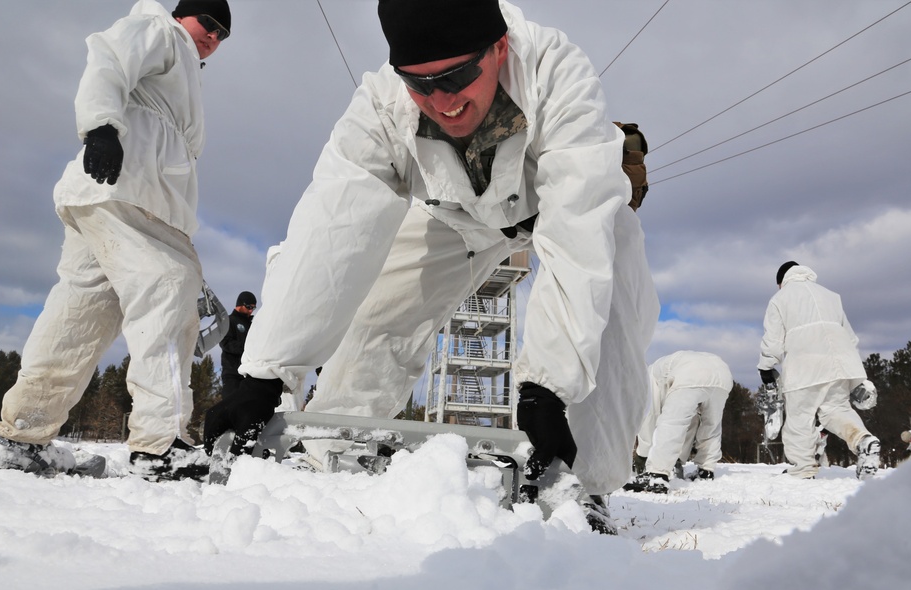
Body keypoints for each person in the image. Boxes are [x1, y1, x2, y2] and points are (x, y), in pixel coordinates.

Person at [205, 0, 659, 526]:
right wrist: (265, 371)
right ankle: (333, 452)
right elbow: (331, 230)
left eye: (458, 76)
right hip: (455, 213)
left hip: (562, 208)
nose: (442, 101)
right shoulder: (382, 107)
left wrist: (547, 388)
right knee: (378, 309)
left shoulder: (556, 74)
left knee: (605, 304)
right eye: (420, 84)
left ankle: (580, 483)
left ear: (499, 48)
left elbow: (575, 230)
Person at [0, 0, 232, 481]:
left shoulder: (183, 67)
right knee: (169, 286)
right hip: (131, 192)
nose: (214, 37)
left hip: (110, 198)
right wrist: (102, 126)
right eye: (208, 23)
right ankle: (159, 445)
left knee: (80, 313)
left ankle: (24, 433)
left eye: (223, 34)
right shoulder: (161, 32)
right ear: (184, 15)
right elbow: (110, 58)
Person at [758, 261, 880, 480]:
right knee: (836, 409)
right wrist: (855, 376)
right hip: (841, 363)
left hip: (805, 364)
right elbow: (850, 337)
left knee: (799, 417)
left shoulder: (780, 298)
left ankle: (803, 469)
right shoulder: (831, 296)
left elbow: (774, 340)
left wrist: (766, 367)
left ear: (781, 281)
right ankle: (863, 440)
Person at [626, 351, 733, 494]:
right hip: (723, 375)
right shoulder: (662, 367)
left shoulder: (648, 378)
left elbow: (651, 417)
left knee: (672, 422)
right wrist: (678, 459)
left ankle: (657, 475)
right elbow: (690, 423)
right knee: (711, 425)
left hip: (692, 374)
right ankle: (706, 470)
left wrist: (642, 455)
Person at [220, 291, 256, 398]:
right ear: (240, 304)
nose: (251, 310)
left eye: (253, 308)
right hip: (232, 374)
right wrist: (247, 349)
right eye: (249, 307)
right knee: (231, 405)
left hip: (249, 374)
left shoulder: (251, 325)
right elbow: (226, 343)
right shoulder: (229, 321)